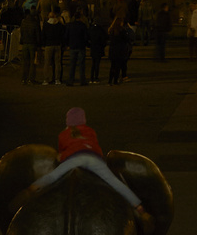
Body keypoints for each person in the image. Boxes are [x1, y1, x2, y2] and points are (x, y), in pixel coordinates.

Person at [24, 109, 152, 227]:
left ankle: (32, 188)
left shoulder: (63, 134)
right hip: (93, 159)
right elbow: (97, 148)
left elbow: (61, 154)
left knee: (53, 176)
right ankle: (140, 210)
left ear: (67, 121)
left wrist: (62, 156)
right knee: (115, 183)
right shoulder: (90, 131)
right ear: (84, 120)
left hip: (75, 159)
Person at [108, 19, 133, 85]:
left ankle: (110, 80)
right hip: (119, 50)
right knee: (118, 66)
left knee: (112, 66)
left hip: (112, 50)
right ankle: (115, 81)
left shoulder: (112, 31)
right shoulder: (122, 31)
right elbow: (128, 38)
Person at [66, 13, 88, 86]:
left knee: (72, 65)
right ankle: (82, 80)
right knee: (81, 65)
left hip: (72, 46)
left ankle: (70, 80)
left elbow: (66, 35)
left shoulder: (70, 25)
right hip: (81, 47)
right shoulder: (83, 25)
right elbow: (86, 37)